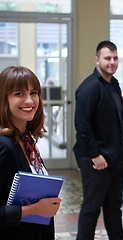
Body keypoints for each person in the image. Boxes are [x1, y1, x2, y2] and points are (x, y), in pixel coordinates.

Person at [73, 40, 123, 240]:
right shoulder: (89, 87)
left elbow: (112, 116)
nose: (112, 62)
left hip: (115, 157)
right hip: (96, 159)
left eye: (115, 58)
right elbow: (82, 125)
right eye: (107, 58)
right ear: (97, 60)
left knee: (113, 206)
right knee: (91, 208)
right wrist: (95, 155)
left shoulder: (114, 84)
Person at [0, 66, 62, 239]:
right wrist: (34, 209)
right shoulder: (4, 146)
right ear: (3, 99)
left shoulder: (26, 140)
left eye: (33, 93)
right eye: (19, 93)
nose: (29, 100)